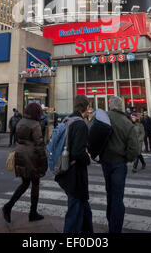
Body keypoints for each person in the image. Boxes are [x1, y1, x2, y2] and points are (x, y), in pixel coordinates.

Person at [2, 102, 47, 223]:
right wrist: (44, 162)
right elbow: (39, 145)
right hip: (31, 157)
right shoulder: (35, 124)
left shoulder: (21, 121)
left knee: (25, 183)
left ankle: (9, 206)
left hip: (20, 154)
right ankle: (32, 212)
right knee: (35, 183)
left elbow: (17, 138)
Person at [99, 96, 139, 233]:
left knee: (109, 193)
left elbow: (93, 136)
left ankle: (111, 220)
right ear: (121, 106)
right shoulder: (127, 123)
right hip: (119, 163)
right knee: (117, 196)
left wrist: (99, 155)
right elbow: (134, 148)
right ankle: (115, 228)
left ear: (110, 105)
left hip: (105, 161)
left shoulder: (103, 118)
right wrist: (127, 158)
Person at [55, 95, 93, 234]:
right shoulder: (80, 124)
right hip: (75, 174)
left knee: (83, 208)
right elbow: (78, 152)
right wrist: (88, 158)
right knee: (75, 211)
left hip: (65, 168)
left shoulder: (67, 120)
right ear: (87, 107)